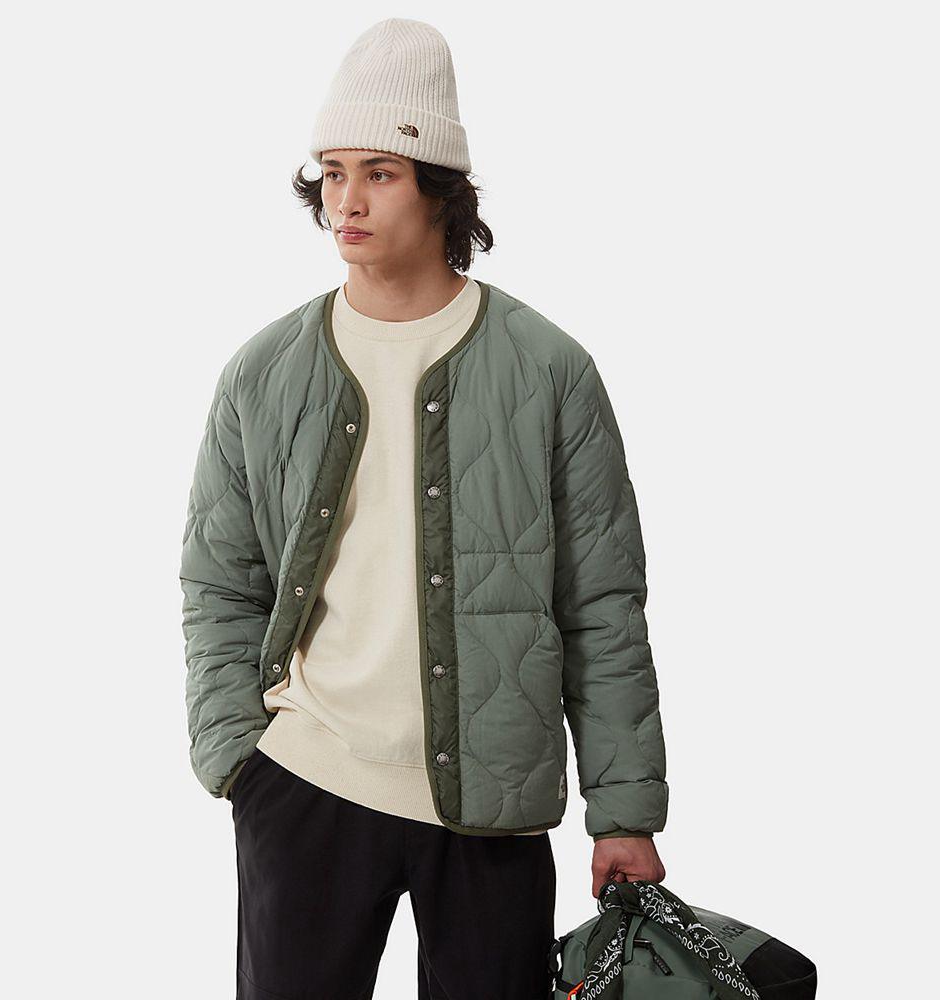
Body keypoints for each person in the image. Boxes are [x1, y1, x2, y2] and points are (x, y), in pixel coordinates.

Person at [180, 17, 668, 1000]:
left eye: (380, 173)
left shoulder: (549, 371)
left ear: (442, 188)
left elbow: (602, 604)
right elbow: (221, 582)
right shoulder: (263, 374)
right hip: (306, 780)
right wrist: (237, 755)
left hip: (492, 801)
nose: (346, 201)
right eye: (331, 173)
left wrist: (623, 811)